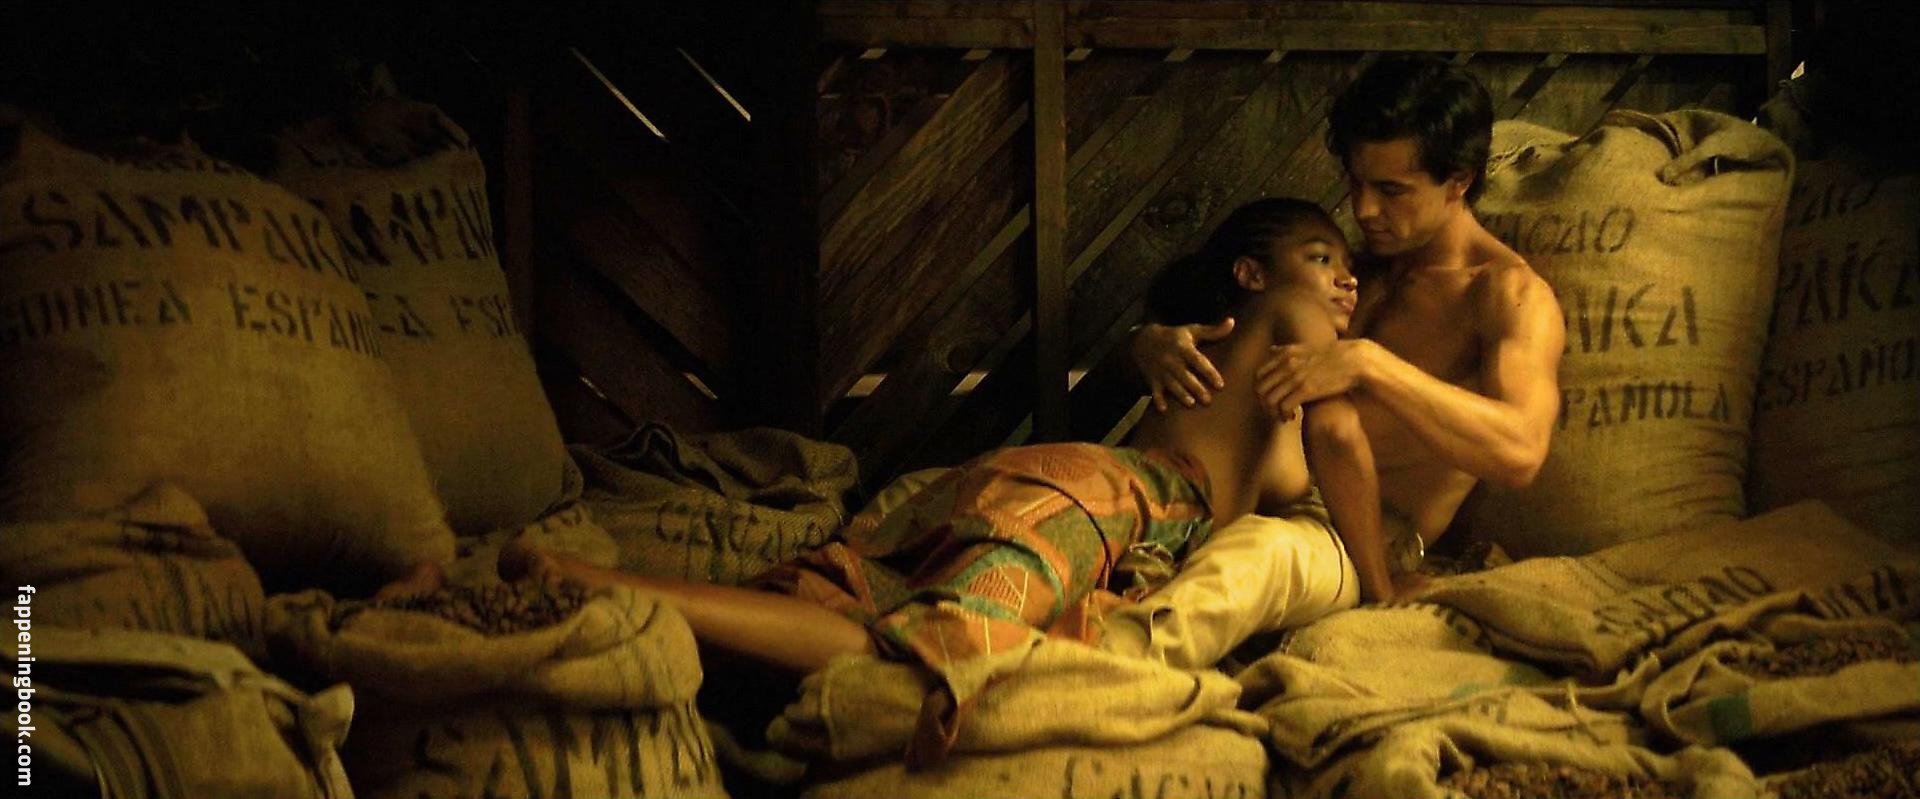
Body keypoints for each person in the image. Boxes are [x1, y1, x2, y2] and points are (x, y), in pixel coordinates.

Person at [494, 198, 1390, 681]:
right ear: (1253, 274)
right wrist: (1385, 591)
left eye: (1349, 266)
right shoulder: (1295, 318)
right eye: (1322, 256)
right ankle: (587, 581)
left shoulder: (1254, 377)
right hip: (1109, 499)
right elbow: (1341, 436)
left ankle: (607, 605)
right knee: (920, 655)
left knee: (857, 607)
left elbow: (1281, 471)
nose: (1343, 277)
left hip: (1071, 487)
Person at [1130, 56, 1566, 578]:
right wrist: (1148, 345)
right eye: (1356, 184)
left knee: (1252, 560)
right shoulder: (1355, 272)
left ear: (1458, 182)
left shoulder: (1506, 295)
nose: (1363, 210)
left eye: (1391, 191)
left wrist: (1370, 365)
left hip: (1358, 540)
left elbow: (1520, 452)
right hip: (1241, 503)